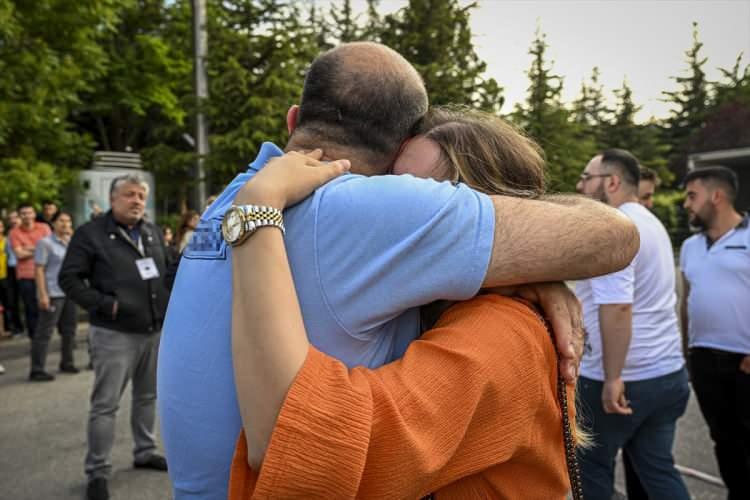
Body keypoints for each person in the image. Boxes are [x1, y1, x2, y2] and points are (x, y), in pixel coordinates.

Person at [158, 42, 639, 500]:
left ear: (293, 120)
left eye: (421, 196)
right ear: (400, 142)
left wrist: (531, 268)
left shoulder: (235, 196)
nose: (404, 199)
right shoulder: (348, 212)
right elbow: (301, 442)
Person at [226, 110, 587, 498]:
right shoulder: (452, 306)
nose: (386, 211)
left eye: (411, 198)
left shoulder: (501, 334)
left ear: (487, 219)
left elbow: (319, 450)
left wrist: (255, 211)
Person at [574, 149, 689, 500]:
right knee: (656, 469)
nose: (580, 186)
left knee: (590, 467)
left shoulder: (615, 227)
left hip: (624, 378)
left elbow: (618, 307)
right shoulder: (651, 223)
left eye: (586, 177)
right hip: (666, 373)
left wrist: (612, 377)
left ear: (611, 182)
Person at [59, 174, 172, 500]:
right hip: (114, 333)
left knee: (147, 397)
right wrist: (103, 304)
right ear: (113, 199)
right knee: (105, 405)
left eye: (141, 195)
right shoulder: (91, 234)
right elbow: (69, 278)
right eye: (129, 195)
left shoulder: (150, 232)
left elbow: (164, 271)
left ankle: (144, 450)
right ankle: (97, 471)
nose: (137, 200)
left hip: (152, 331)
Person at [680, 166, 749, 500]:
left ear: (716, 196)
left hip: (745, 362)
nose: (686, 204)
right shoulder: (691, 246)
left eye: (692, 196)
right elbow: (687, 299)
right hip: (704, 359)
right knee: (724, 440)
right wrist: (686, 352)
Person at [30, 211, 79, 381]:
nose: (65, 224)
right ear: (53, 223)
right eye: (61, 221)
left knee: (69, 330)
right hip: (52, 293)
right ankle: (37, 369)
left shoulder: (72, 243)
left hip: (70, 292)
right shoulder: (45, 243)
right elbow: (39, 269)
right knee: (45, 332)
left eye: (68, 221)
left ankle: (67, 362)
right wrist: (43, 294)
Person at [9, 204, 51, 338]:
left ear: (34, 214)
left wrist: (29, 248)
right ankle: (35, 337)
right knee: (31, 307)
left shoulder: (44, 228)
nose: (27, 216)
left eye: (29, 212)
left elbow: (50, 249)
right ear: (20, 216)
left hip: (45, 273)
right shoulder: (14, 232)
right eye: (23, 213)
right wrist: (39, 248)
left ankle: (46, 334)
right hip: (25, 275)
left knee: (47, 305)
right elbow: (19, 254)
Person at [5, 211, 23, 336]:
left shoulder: (26, 233)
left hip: (26, 268)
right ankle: (17, 327)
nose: (13, 220)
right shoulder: (8, 236)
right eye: (10, 218)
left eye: (15, 217)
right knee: (12, 300)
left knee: (30, 299)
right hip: (11, 269)